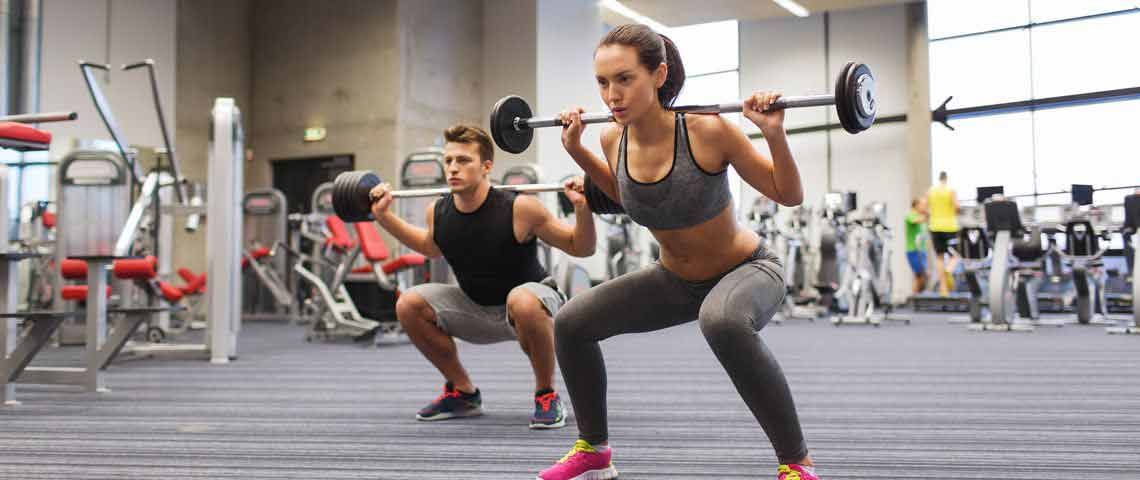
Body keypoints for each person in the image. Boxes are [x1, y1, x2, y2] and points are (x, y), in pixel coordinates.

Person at [537, 24, 818, 480]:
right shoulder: (613, 137)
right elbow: (631, 201)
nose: (612, 95)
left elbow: (788, 194)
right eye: (603, 83)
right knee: (571, 323)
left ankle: (796, 464)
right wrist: (576, 150)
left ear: (660, 74)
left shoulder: (708, 130)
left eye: (625, 79)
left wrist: (773, 134)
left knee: (722, 321)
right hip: (675, 279)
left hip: (746, 270)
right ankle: (594, 450)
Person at [368, 124, 596, 429]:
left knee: (522, 300)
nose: (453, 168)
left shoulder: (520, 207)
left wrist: (583, 208)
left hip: (531, 306)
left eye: (463, 161)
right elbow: (429, 247)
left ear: (486, 166)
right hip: (476, 308)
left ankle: (546, 394)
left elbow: (580, 247)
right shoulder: (438, 211)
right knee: (408, 303)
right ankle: (462, 392)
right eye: (449, 161)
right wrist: (383, 216)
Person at [926, 171, 960, 297]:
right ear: (946, 178)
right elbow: (956, 206)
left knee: (939, 257)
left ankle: (943, 289)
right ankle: (948, 270)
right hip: (950, 226)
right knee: (955, 255)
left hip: (935, 226)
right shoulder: (951, 190)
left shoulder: (931, 191)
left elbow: (925, 208)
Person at [905, 197, 928, 294]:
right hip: (914, 250)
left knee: (922, 275)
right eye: (923, 205)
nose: (925, 207)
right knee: (919, 274)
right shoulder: (911, 215)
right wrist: (927, 215)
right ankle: (916, 295)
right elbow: (915, 221)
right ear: (916, 205)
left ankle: (918, 295)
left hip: (921, 249)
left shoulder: (921, 216)